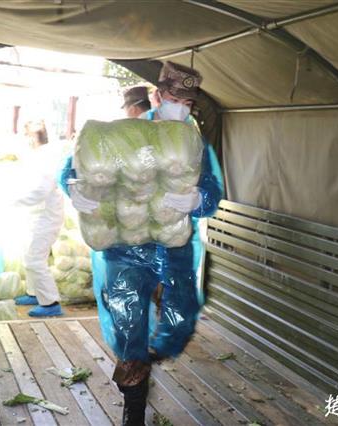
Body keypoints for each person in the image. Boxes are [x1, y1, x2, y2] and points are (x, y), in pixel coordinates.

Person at [60, 61, 223, 426]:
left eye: (188, 103)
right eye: (175, 100)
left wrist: (199, 199)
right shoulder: (121, 132)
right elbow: (74, 166)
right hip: (125, 250)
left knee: (178, 320)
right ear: (158, 96)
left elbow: (211, 188)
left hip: (173, 247)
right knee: (129, 323)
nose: (181, 109)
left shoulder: (193, 140)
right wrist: (72, 186)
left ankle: (151, 355)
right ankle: (133, 404)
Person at [13, 120, 65, 317]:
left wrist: (15, 201)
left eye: (25, 136)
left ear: (31, 137)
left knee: (35, 259)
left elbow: (42, 190)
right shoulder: (38, 156)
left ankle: (51, 303)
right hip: (37, 215)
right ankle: (34, 293)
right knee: (30, 256)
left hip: (46, 217)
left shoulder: (46, 157)